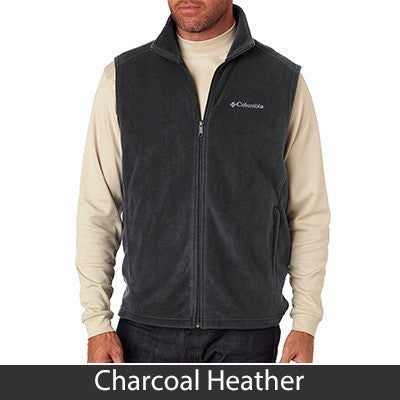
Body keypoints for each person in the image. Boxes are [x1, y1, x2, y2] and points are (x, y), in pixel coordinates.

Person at [76, 0, 330, 363]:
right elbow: (97, 209)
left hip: (248, 335)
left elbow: (308, 212)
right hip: (146, 331)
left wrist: (305, 322)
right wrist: (96, 322)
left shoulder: (280, 81)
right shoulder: (124, 78)